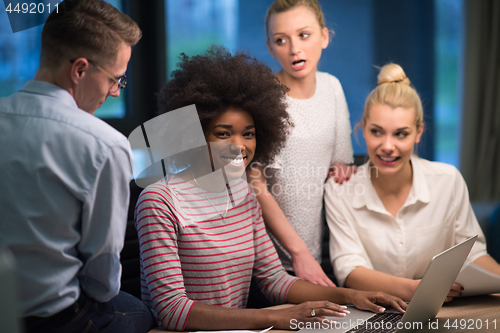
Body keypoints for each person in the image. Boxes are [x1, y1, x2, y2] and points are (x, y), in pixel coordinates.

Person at [135, 46, 406, 331]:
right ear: (196, 135)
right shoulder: (160, 200)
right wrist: (274, 318)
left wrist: (351, 296)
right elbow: (172, 310)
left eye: (248, 134)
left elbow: (275, 279)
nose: (240, 146)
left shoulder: (242, 193)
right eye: (223, 133)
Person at [0, 1, 157, 332]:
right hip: (52, 320)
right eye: (116, 78)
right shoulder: (103, 144)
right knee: (139, 311)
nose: (115, 92)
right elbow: (101, 281)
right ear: (80, 70)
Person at [324, 63, 500, 302]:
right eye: (377, 132)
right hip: (374, 312)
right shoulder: (340, 190)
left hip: (445, 312)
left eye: (400, 134)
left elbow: (474, 254)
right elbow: (350, 270)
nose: (387, 146)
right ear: (363, 129)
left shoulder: (448, 181)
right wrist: (414, 289)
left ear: (418, 132)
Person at [248, 0, 356, 286]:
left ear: (324, 36)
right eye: (281, 40)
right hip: (266, 259)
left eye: (304, 35)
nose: (294, 49)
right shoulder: (264, 97)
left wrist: (342, 168)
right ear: (271, 48)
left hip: (318, 257)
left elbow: (342, 164)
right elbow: (253, 184)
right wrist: (298, 252)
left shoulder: (332, 87)